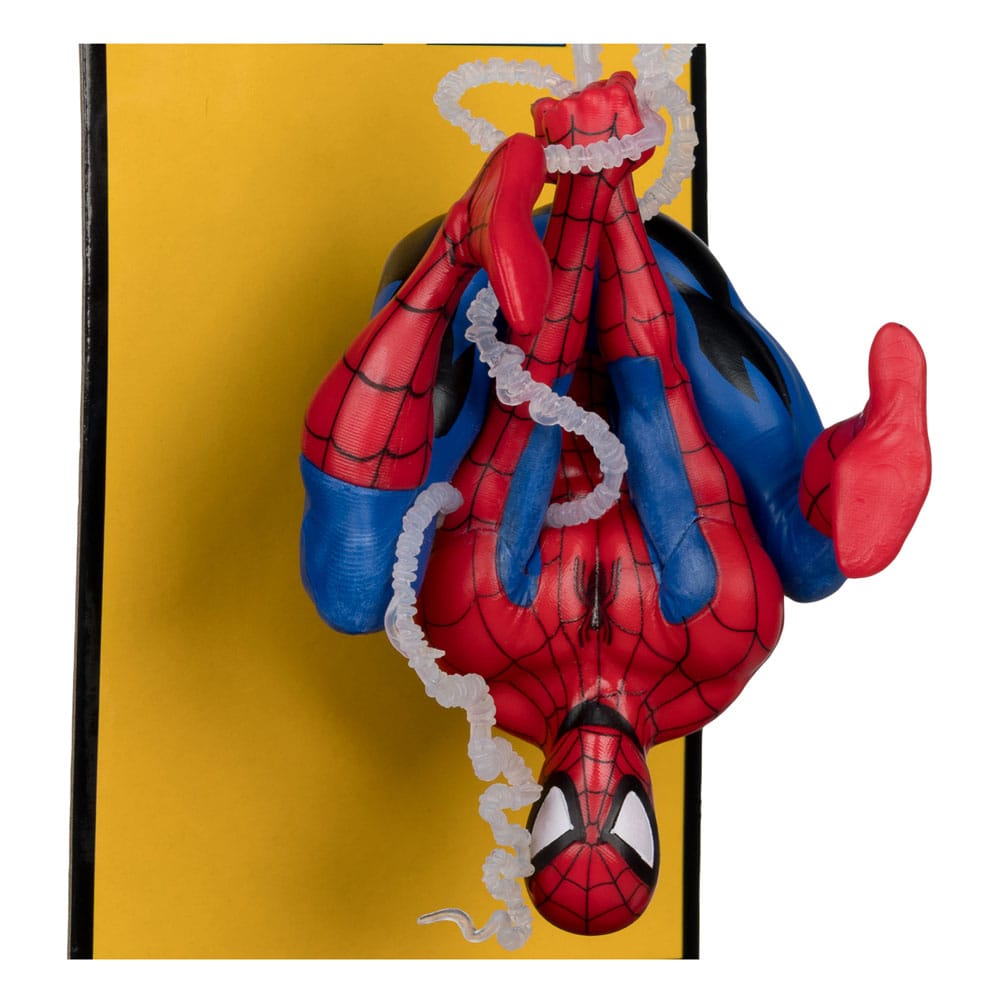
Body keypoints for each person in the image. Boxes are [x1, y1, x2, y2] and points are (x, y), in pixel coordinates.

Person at [299, 73, 930, 936]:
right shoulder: (715, 655)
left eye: (564, 824)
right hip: (666, 294)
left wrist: (586, 184)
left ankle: (454, 243)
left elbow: (528, 411)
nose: (595, 795)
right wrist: (606, 185)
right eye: (621, 829)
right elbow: (660, 408)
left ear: (535, 815)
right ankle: (839, 476)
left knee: (353, 591)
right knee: (812, 566)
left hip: (482, 308)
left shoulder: (479, 669)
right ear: (649, 818)